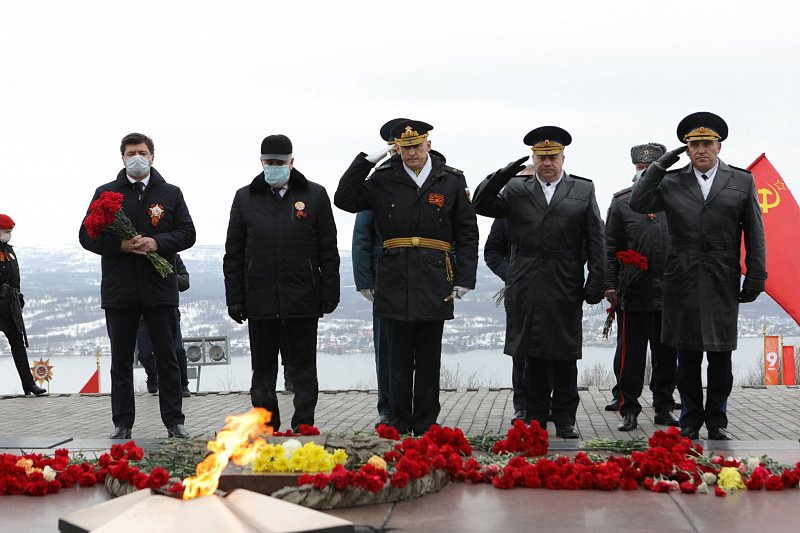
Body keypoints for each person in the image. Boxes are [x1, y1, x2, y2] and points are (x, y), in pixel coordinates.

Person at [335, 119, 479, 436]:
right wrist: (368, 160)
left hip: (434, 275)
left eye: (416, 146)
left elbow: (467, 231)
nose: (411, 152)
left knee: (428, 358)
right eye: (405, 147)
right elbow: (344, 199)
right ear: (396, 148)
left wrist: (465, 277)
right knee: (396, 359)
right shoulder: (383, 178)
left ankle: (426, 423)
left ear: (428, 145)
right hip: (394, 275)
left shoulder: (451, 180)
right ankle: (398, 422)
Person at [629, 112, 767, 440]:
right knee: (687, 356)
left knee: (721, 356)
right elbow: (638, 202)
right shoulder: (672, 180)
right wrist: (659, 166)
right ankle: (690, 419)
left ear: (719, 146)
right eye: (694, 145)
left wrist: (756, 276)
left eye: (707, 143)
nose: (701, 150)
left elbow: (755, 231)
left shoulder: (741, 181)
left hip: (722, 278)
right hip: (682, 278)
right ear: (686, 150)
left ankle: (717, 420)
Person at [472, 126, 605, 439]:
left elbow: (596, 239)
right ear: (533, 158)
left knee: (565, 355)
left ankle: (565, 419)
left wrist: (597, 281)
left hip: (565, 281)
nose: (547, 162)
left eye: (553, 157)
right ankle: (534, 419)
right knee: (531, 355)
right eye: (541, 157)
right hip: (526, 282)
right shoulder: (515, 188)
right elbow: (480, 204)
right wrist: (504, 174)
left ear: (562, 158)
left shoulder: (582, 189)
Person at [79, 132, 195, 439]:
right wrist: (122, 246)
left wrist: (157, 242)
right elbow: (86, 236)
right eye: (131, 153)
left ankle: (174, 421)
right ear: (122, 158)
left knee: (167, 357)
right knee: (121, 360)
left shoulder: (170, 193)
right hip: (120, 291)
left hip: (160, 289)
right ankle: (122, 422)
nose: (137, 158)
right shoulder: (105, 193)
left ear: (152, 156)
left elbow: (188, 233)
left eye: (142, 153)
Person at [224, 134, 340, 432]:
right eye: (269, 162)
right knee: (263, 372)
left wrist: (329, 291)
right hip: (260, 299)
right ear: (261, 162)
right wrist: (234, 298)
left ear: (291, 162)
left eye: (279, 162)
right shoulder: (244, 197)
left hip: (303, 298)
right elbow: (234, 253)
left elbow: (328, 249)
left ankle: (304, 426)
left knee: (303, 370)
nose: (274, 167)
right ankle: (267, 427)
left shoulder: (315, 195)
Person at [604, 143, 679, 431]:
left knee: (666, 357)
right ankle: (629, 408)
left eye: (650, 168)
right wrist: (611, 284)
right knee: (631, 357)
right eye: (640, 168)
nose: (644, 173)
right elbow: (609, 248)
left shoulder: (676, 200)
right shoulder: (622, 202)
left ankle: (663, 407)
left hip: (670, 294)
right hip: (634, 294)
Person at [351, 117, 405, 428]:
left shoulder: (437, 177)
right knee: (386, 350)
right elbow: (362, 233)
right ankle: (388, 408)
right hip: (385, 278)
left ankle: (417, 409)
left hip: (423, 277)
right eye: (396, 146)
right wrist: (364, 280)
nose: (401, 150)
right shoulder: (378, 180)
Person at [484, 217, 526, 422]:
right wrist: (511, 273)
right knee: (520, 350)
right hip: (519, 291)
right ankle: (522, 406)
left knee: (553, 350)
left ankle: (550, 404)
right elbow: (492, 251)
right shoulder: (508, 213)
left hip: (555, 287)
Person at [0, 215, 47, 396]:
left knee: (18, 345)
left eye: (10, 231)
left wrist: (18, 296)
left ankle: (29, 385)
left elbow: (15, 277)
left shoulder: (9, 251)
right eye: (6, 231)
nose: (8, 234)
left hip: (9, 304)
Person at [136, 253, 191, 397]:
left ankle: (182, 384)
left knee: (177, 350)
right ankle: (153, 375)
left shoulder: (173, 256)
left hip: (168, 311)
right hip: (142, 315)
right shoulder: (136, 258)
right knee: (145, 354)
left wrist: (168, 274)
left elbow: (185, 283)